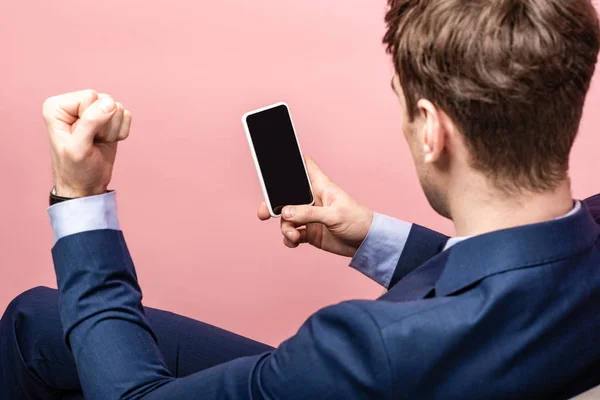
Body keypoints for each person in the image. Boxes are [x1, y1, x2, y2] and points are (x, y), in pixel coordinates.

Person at [2, 0, 600, 398]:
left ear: (430, 128)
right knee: (37, 320)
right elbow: (513, 279)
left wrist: (81, 201)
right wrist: (368, 236)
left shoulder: (368, 348)